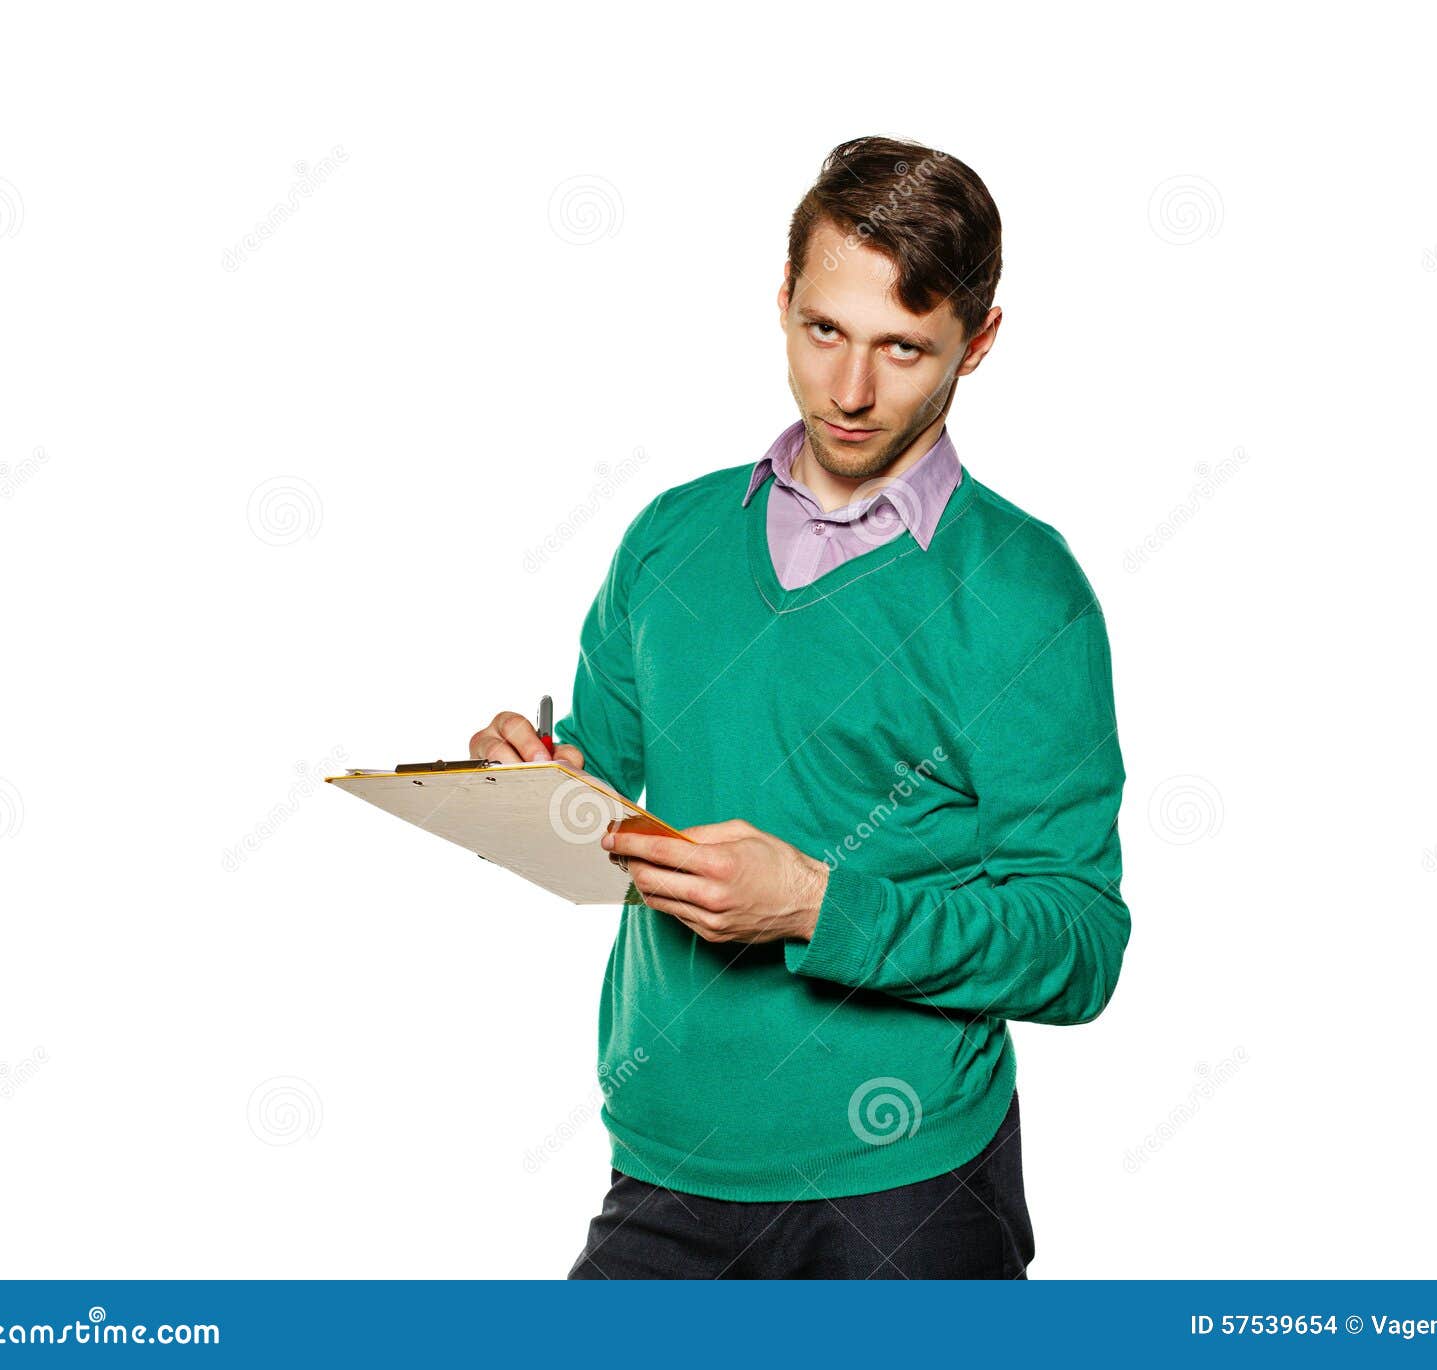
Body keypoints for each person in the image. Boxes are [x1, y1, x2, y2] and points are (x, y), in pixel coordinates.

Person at [470, 134, 1131, 1279]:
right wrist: (529, 780)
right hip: (665, 1159)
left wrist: (819, 909)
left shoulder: (1026, 595)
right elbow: (601, 788)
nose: (852, 389)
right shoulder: (670, 539)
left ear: (979, 343)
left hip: (909, 1184)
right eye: (824, 329)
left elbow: (1079, 945)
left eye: (904, 347)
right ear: (781, 301)